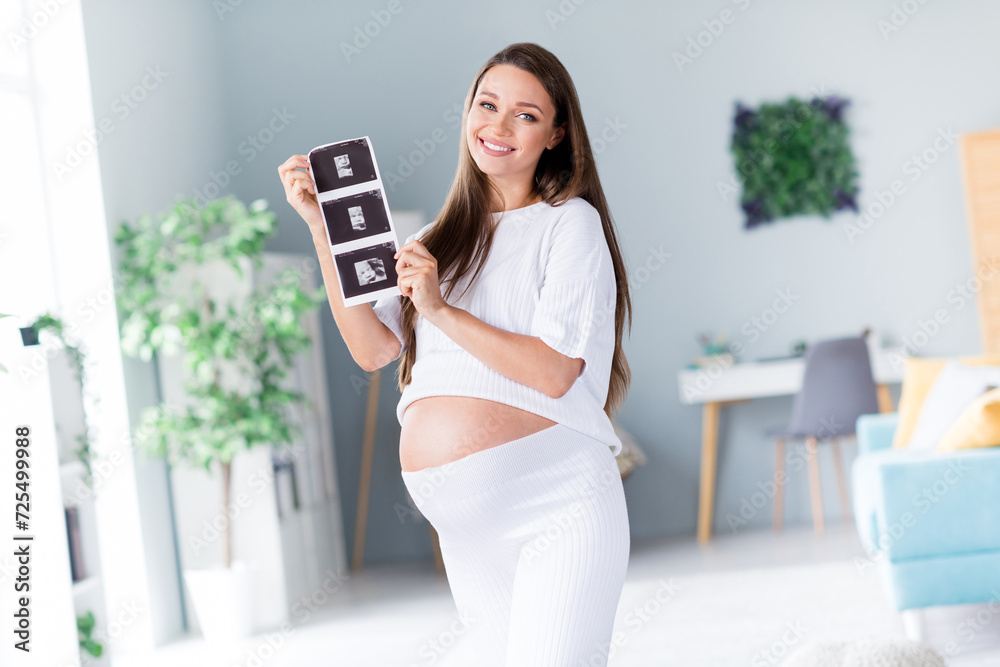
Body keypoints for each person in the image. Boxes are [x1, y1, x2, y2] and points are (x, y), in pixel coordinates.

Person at [278, 42, 633, 667]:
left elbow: (554, 372)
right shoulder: (430, 241)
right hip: (466, 524)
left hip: (557, 499)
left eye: (525, 114)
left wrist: (441, 309)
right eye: (486, 105)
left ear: (556, 133)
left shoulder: (566, 224)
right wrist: (320, 229)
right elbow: (372, 348)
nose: (497, 126)